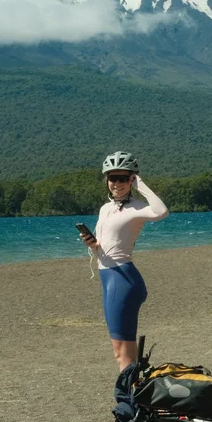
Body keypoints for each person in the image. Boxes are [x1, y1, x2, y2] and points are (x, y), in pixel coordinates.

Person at [80, 151, 168, 371]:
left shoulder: (137, 207)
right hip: (108, 277)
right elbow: (108, 243)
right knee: (122, 351)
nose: (117, 183)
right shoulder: (105, 208)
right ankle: (134, 397)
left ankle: (128, 402)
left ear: (131, 179)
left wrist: (140, 184)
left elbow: (161, 211)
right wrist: (93, 244)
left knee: (122, 353)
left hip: (123, 279)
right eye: (113, 178)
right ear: (106, 180)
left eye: (123, 178)